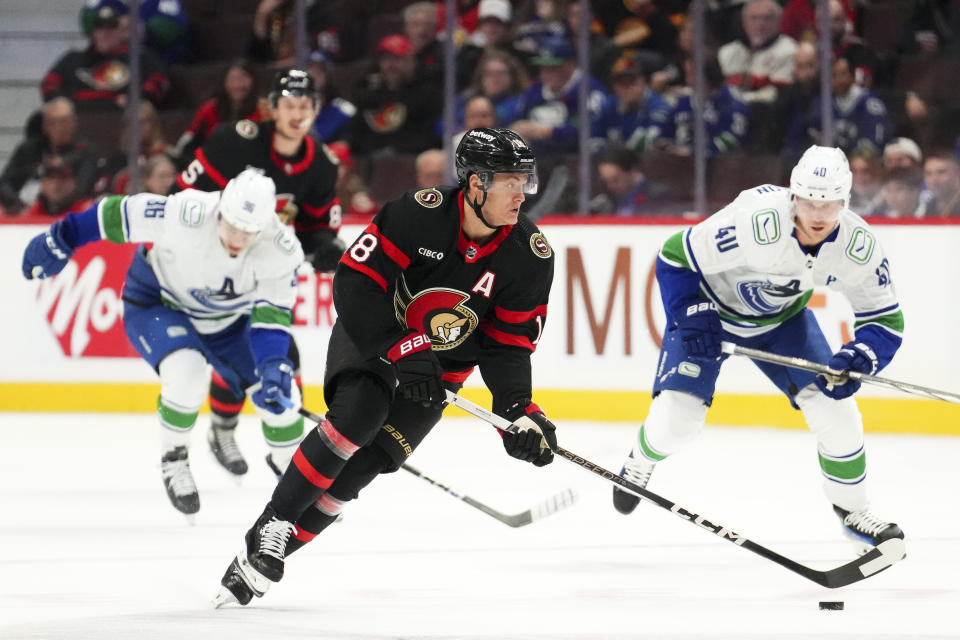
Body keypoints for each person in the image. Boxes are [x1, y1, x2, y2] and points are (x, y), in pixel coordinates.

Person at [213, 127, 557, 607]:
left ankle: (265, 558)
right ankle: (272, 523)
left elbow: (508, 346)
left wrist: (520, 410)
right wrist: (406, 347)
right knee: (360, 417)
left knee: (363, 469)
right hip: (375, 339)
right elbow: (356, 284)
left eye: (525, 180)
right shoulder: (420, 214)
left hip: (438, 376)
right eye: (509, 181)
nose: (522, 193)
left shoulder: (529, 255)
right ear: (475, 183)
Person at [611, 145, 906, 554]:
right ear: (793, 195)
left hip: (783, 321)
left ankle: (854, 514)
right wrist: (693, 313)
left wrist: (860, 356)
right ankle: (640, 460)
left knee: (838, 413)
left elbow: (884, 320)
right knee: (677, 421)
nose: (818, 215)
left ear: (846, 200)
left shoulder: (859, 246)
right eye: (809, 201)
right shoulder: (755, 218)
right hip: (711, 314)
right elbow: (675, 256)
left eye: (830, 203)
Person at [20, 169, 306, 516]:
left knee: (284, 398)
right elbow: (117, 214)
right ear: (220, 208)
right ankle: (174, 458)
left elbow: (271, 319)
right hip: (159, 303)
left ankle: (296, 480)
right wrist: (61, 238)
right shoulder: (187, 213)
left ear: (266, 225)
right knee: (186, 373)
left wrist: (273, 364)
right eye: (231, 225)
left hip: (228, 323)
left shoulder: (282, 250)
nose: (237, 237)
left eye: (249, 232)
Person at [176, 69, 344, 479]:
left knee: (278, 353)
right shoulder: (237, 141)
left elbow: (316, 226)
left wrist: (325, 247)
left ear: (316, 111)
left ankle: (261, 443)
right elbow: (185, 197)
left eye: (305, 106)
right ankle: (237, 433)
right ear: (272, 107)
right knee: (248, 351)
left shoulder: (321, 164)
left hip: (267, 268)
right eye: (289, 104)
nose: (297, 114)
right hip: (216, 262)